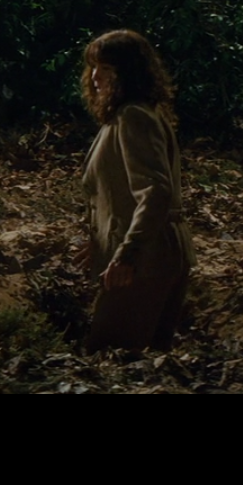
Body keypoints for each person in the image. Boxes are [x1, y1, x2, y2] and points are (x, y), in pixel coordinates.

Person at [79, 29, 195, 352]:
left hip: (147, 258)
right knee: (143, 360)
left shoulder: (133, 117)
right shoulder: (131, 115)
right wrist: (102, 238)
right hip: (153, 252)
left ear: (127, 73)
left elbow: (156, 191)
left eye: (106, 68)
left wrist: (127, 253)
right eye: (93, 67)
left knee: (111, 356)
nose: (95, 77)